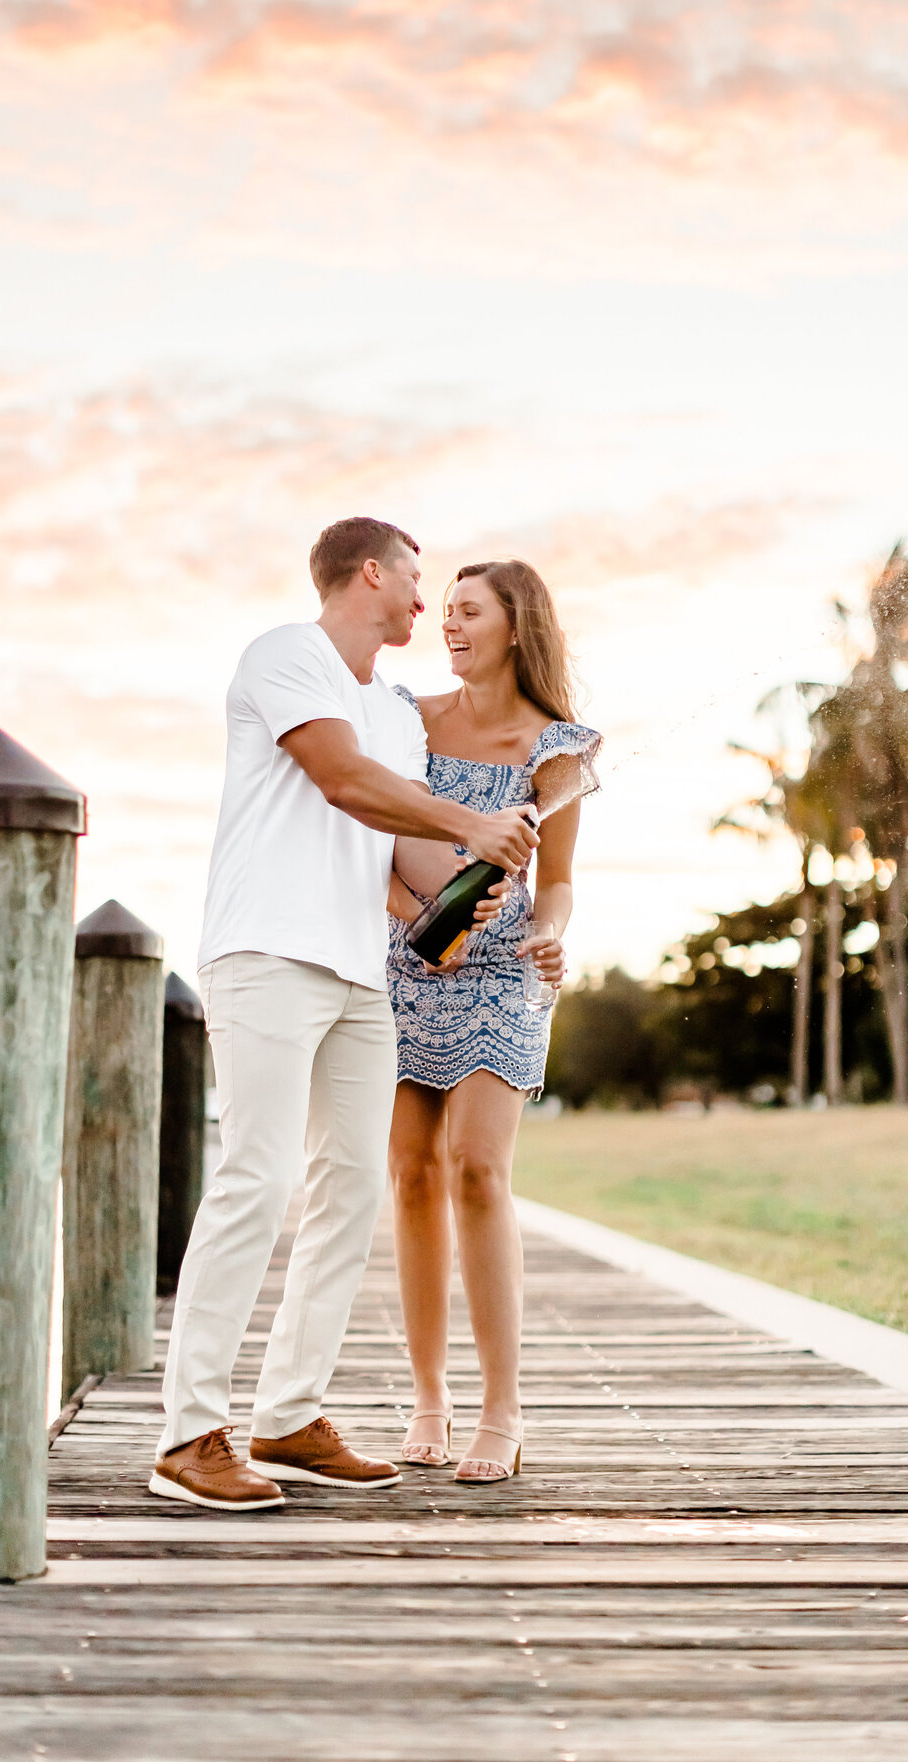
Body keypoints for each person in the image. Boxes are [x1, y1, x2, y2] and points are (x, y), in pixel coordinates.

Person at [151, 519, 538, 1511]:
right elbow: (339, 778)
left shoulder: (396, 714)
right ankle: (192, 1434)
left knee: (353, 1187)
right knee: (257, 1174)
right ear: (372, 571)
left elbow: (402, 849)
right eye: (416, 579)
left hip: (358, 975)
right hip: (267, 953)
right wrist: (469, 824)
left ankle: (287, 1414)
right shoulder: (289, 656)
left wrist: (470, 876)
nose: (424, 601)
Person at [386, 560, 601, 1483]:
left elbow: (554, 884)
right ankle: (427, 1398)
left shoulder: (557, 747)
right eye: (447, 611)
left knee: (477, 1168)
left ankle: (500, 1410)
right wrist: (422, 926)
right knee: (409, 1173)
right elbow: (374, 846)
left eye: (470, 610)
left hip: (508, 975)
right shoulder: (406, 720)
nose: (450, 623)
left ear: (517, 624)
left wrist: (550, 942)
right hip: (407, 962)